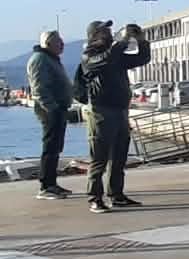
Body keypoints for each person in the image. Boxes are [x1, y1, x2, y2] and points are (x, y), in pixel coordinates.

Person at [72, 21, 150, 214]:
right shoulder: (89, 56)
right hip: (100, 111)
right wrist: (122, 42)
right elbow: (107, 58)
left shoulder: (114, 55)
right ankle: (95, 197)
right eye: (104, 30)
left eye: (109, 30)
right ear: (94, 35)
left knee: (119, 156)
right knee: (99, 157)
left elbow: (142, 58)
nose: (109, 33)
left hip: (120, 110)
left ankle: (116, 195)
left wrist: (141, 40)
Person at [26, 30, 72, 200]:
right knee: (50, 147)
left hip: (59, 108)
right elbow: (38, 88)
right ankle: (46, 186)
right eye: (58, 41)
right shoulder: (40, 59)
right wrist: (52, 109)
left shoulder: (51, 59)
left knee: (55, 148)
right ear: (48, 43)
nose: (62, 44)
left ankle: (52, 183)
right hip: (51, 110)